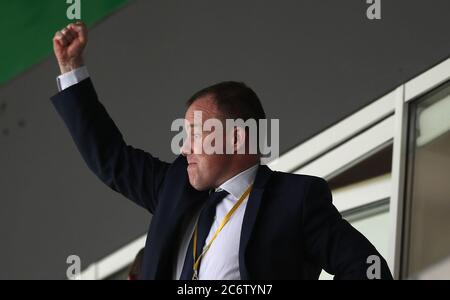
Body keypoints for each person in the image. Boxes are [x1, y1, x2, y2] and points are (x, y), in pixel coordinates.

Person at [51, 22, 393, 280]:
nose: (184, 148)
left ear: (238, 138)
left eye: (196, 134)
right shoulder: (173, 187)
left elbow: (368, 268)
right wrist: (71, 70)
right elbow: (110, 159)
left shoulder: (296, 199)